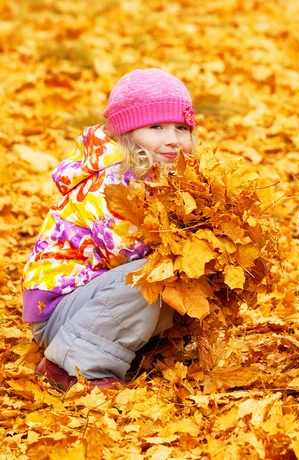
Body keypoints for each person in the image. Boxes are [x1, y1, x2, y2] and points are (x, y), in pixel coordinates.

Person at [21, 68, 197, 389]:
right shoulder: (112, 183)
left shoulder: (160, 176)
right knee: (150, 273)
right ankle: (71, 365)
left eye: (181, 128)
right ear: (126, 133)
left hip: (94, 302)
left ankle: (113, 347)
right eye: (156, 127)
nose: (172, 139)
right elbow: (126, 254)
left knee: (169, 275)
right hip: (60, 311)